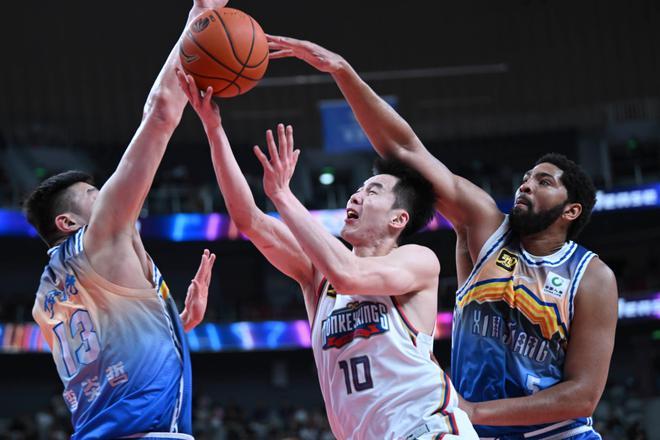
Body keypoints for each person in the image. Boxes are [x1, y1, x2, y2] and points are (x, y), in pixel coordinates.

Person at [265, 35, 619, 439]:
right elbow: (405, 149)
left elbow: (582, 396)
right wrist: (342, 72)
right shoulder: (485, 228)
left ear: (571, 211)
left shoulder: (592, 277)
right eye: (526, 177)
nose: (526, 185)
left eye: (544, 182)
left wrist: (476, 410)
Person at [176, 71, 479, 439]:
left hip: (427, 428)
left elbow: (349, 275)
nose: (356, 196)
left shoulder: (418, 261)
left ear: (398, 219)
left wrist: (283, 197)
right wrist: (214, 130)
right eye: (359, 189)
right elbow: (247, 219)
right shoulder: (318, 276)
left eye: (372, 192)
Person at [23, 1, 224, 438]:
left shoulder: (47, 296)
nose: (112, 198)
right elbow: (161, 111)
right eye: (95, 196)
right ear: (68, 222)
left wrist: (173, 319)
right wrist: (201, 15)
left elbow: (109, 350)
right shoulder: (99, 239)